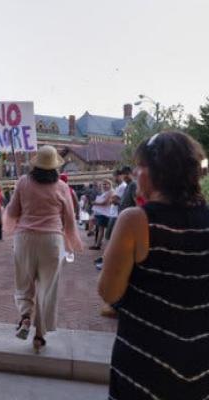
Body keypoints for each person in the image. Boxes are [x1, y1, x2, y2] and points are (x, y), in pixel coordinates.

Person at [98, 132, 209, 399]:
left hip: (144, 360)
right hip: (199, 361)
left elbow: (109, 292)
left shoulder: (136, 221)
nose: (135, 173)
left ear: (154, 172)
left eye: (140, 166)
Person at [3, 145, 83, 352]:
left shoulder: (23, 182)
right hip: (52, 241)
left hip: (25, 239)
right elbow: (69, 219)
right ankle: (39, 336)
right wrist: (71, 241)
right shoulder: (62, 187)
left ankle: (25, 317)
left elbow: (12, 211)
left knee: (24, 283)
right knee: (47, 288)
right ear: (55, 166)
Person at [89, 179, 114, 250]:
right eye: (104, 184)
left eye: (106, 184)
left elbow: (105, 202)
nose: (105, 186)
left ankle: (98, 245)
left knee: (102, 230)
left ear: (110, 184)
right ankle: (98, 244)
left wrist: (95, 203)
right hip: (101, 213)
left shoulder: (110, 192)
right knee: (100, 229)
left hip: (105, 214)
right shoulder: (105, 192)